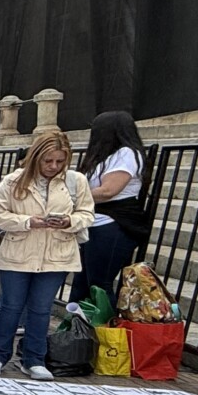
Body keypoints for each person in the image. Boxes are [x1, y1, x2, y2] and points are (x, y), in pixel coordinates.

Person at [0, 128, 94, 379]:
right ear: (36, 157)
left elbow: (87, 214)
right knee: (10, 307)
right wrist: (27, 221)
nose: (53, 166)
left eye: (60, 161)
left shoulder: (75, 181)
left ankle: (34, 359)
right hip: (19, 251)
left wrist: (68, 221)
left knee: (41, 308)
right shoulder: (14, 180)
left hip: (57, 253)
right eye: (48, 160)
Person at [71, 110, 148, 303]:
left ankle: (104, 322)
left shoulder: (126, 154)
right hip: (94, 222)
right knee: (82, 283)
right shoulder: (104, 158)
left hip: (112, 224)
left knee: (99, 284)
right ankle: (78, 321)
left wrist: (70, 197)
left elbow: (108, 191)